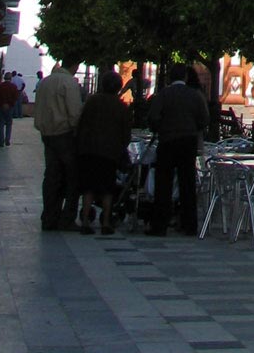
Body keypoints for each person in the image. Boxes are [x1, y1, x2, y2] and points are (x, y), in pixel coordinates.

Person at [147, 63, 209, 236]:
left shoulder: (164, 94)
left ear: (170, 77)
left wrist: (160, 128)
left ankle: (160, 225)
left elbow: (153, 116)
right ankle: (189, 225)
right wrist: (193, 128)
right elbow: (204, 118)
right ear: (185, 77)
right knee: (187, 183)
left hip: (167, 140)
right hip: (188, 141)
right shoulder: (194, 95)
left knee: (163, 183)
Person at [76, 71, 132, 234]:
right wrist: (121, 148)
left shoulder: (92, 101)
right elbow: (126, 133)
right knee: (108, 188)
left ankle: (85, 222)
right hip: (110, 153)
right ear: (119, 87)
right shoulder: (121, 106)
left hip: (89, 151)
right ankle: (106, 223)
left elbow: (82, 123)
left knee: (89, 187)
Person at [35, 61, 84, 230]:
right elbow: (75, 112)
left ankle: (49, 216)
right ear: (75, 66)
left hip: (47, 134)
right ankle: (67, 218)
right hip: (64, 134)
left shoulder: (45, 82)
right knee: (72, 177)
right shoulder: (69, 82)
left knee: (51, 176)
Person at [0, 73, 19, 146]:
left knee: (0, 124)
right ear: (11, 78)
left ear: (4, 78)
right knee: (9, 124)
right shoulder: (14, 87)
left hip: (1, 107)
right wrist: (10, 104)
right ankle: (7, 140)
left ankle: (1, 140)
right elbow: (15, 97)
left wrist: (2, 104)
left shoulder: (0, 86)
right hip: (10, 107)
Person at [128, 66, 151, 130]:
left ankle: (138, 122)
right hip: (141, 100)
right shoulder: (133, 81)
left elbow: (124, 90)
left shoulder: (132, 81)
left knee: (134, 110)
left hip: (140, 101)